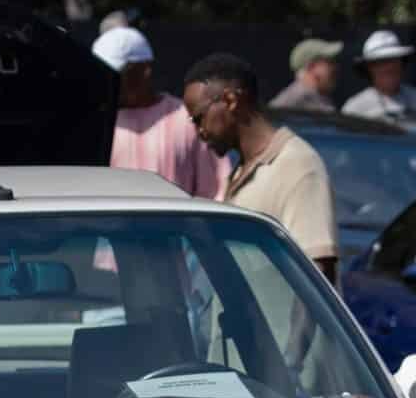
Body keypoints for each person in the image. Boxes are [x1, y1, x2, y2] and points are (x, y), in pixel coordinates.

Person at [181, 50, 338, 282]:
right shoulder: (240, 171)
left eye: (198, 118)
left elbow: (317, 275)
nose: (199, 131)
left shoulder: (297, 165)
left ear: (231, 101)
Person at [91, 24, 224, 198]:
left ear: (145, 70)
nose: (109, 81)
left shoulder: (188, 118)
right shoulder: (95, 124)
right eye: (103, 73)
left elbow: (215, 190)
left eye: (117, 74)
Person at [342, 29, 416, 142]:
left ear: (402, 63)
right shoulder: (355, 107)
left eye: (393, 60)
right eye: (381, 62)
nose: (389, 67)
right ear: (370, 68)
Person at [269, 36, 342, 114]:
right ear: (311, 66)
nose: (336, 68)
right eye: (331, 62)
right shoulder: (295, 99)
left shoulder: (318, 97)